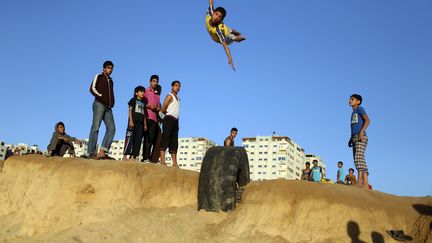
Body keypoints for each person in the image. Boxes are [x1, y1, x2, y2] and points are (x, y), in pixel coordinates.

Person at [206, 0, 246, 71]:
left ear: (221, 19)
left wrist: (230, 59)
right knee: (229, 29)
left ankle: (240, 37)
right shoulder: (210, 12)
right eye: (216, 14)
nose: (216, 17)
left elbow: (225, 46)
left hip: (225, 35)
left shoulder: (219, 31)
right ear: (213, 13)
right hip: (218, 34)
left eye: (219, 17)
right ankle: (236, 33)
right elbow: (211, 2)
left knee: (233, 37)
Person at [88, 61, 116, 159]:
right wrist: (101, 96)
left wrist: (112, 102)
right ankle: (91, 152)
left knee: (112, 128)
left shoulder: (111, 81)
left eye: (111, 68)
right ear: (104, 68)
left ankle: (102, 152)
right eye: (108, 68)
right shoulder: (99, 76)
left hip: (108, 107)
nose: (110, 70)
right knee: (95, 127)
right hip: (99, 104)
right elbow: (92, 88)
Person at [348, 94, 371, 188]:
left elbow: (368, 120)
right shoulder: (353, 113)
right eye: (350, 99)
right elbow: (354, 127)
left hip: (361, 136)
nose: (350, 100)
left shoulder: (359, 109)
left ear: (358, 101)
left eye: (352, 99)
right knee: (357, 159)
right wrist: (351, 138)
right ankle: (365, 183)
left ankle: (359, 181)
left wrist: (361, 132)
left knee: (359, 158)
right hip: (355, 138)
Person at [159, 81, 181, 167]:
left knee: (174, 142)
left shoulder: (178, 99)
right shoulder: (169, 96)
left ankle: (175, 163)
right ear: (172, 87)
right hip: (168, 119)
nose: (177, 88)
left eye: (179, 86)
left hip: (176, 121)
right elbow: (163, 108)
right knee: (165, 138)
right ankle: (162, 161)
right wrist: (166, 117)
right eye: (176, 86)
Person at [123, 86, 147, 160]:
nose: (142, 93)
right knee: (130, 138)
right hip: (133, 122)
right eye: (140, 91)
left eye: (143, 92)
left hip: (141, 124)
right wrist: (130, 120)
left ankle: (133, 156)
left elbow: (145, 115)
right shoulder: (133, 100)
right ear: (136, 93)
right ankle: (125, 156)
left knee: (138, 140)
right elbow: (130, 110)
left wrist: (145, 124)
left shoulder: (144, 103)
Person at [142, 75, 161, 163]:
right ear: (150, 81)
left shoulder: (157, 95)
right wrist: (149, 105)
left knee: (150, 139)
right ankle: (144, 157)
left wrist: (157, 108)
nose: (155, 83)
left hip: (154, 119)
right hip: (146, 116)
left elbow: (159, 108)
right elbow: (141, 103)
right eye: (153, 81)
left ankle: (147, 157)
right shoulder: (145, 91)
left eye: (156, 81)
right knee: (145, 137)